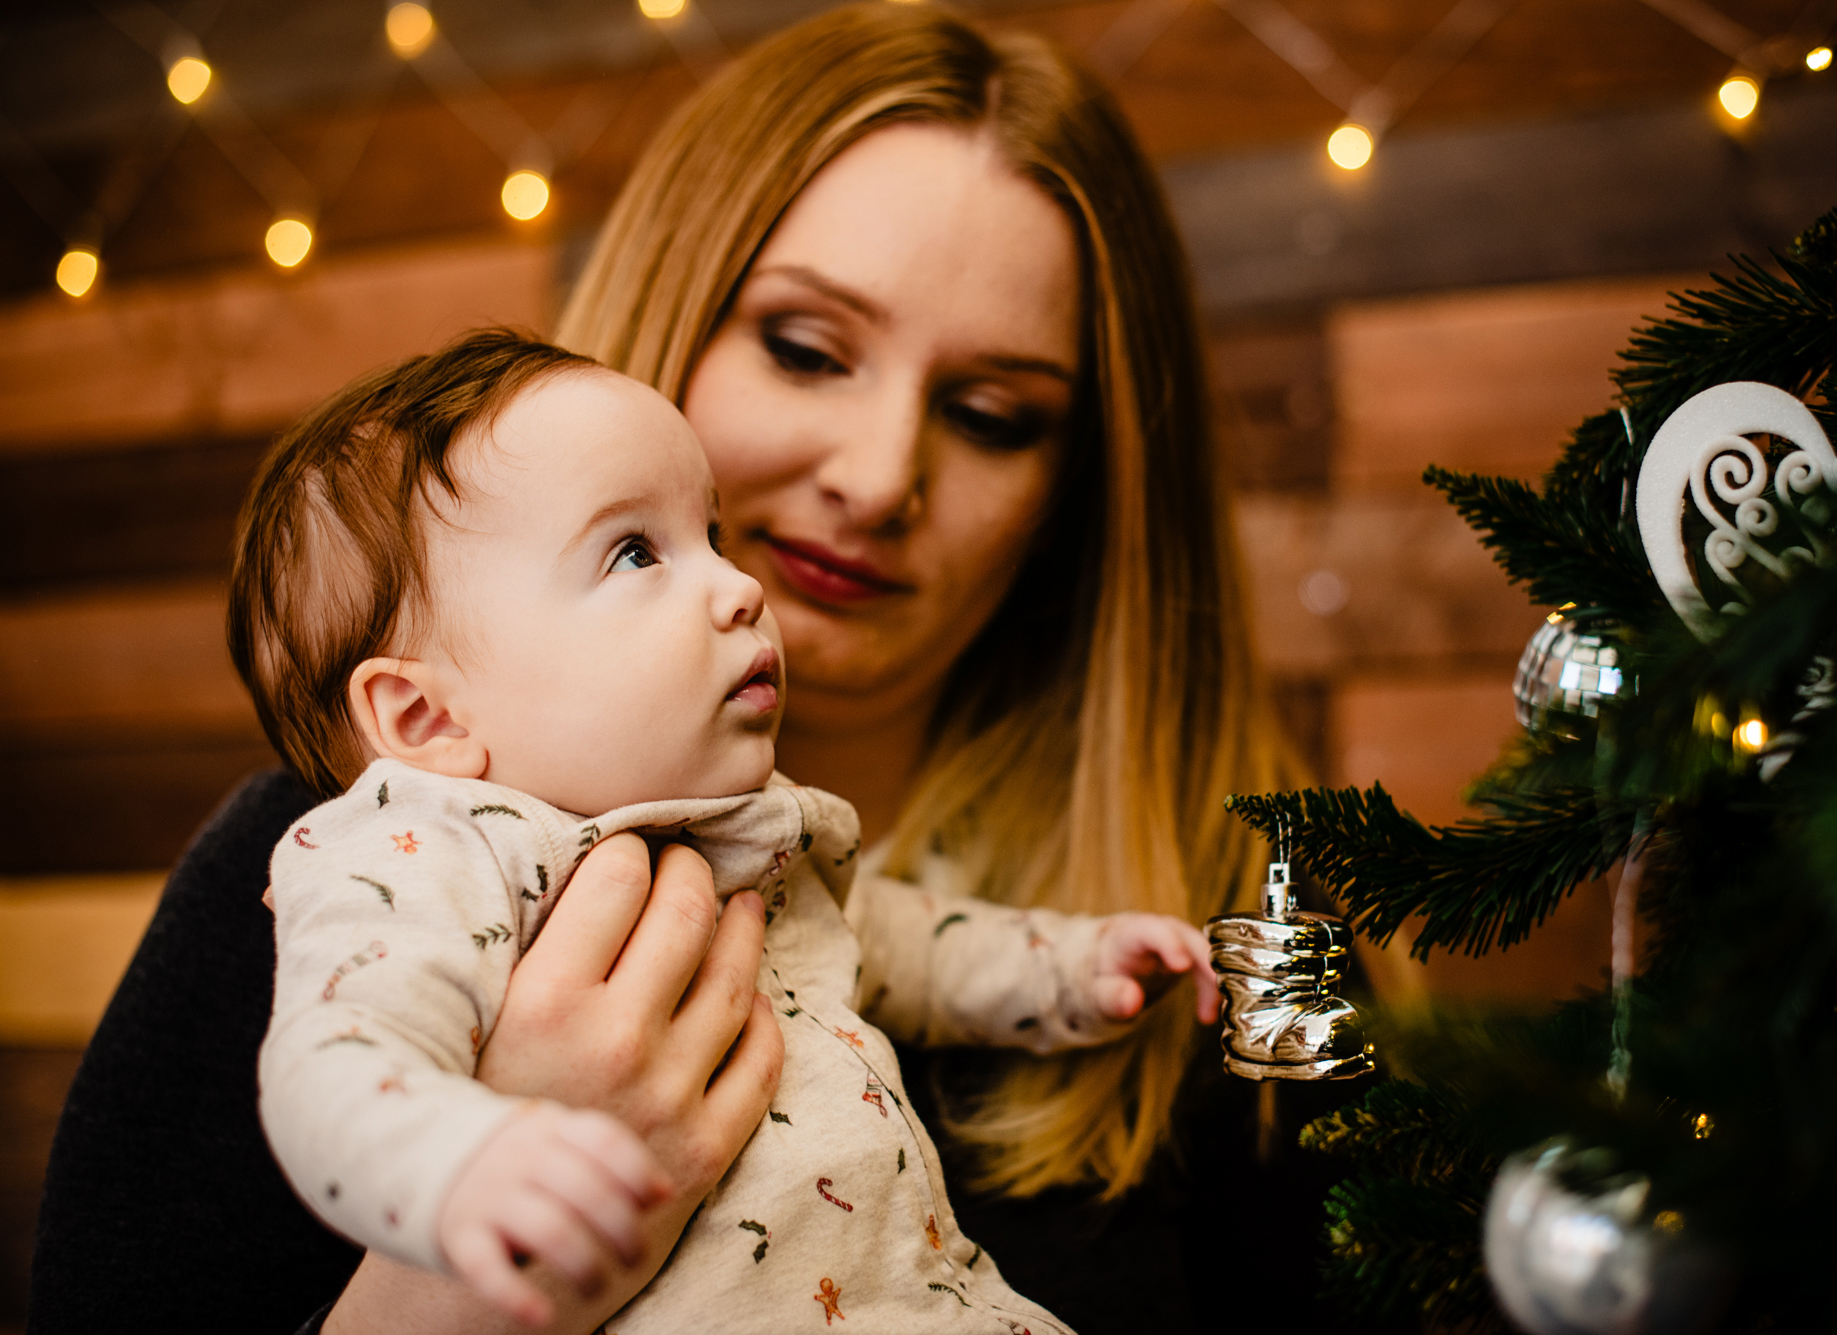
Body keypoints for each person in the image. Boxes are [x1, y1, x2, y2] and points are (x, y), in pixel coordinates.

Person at [33, 7, 1330, 1333]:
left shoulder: (1236, 908)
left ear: (1082, 485)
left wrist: (1081, 965)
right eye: (805, 347)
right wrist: (463, 1275)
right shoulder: (342, 859)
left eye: (995, 414)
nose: (880, 479)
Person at [238, 326, 1214, 1332]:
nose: (737, 586)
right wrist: (454, 1165)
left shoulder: (735, 830)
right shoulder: (417, 852)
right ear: (427, 720)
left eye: (711, 535)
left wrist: (1070, 966)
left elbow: (895, 939)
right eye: (632, 552)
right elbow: (335, 1061)